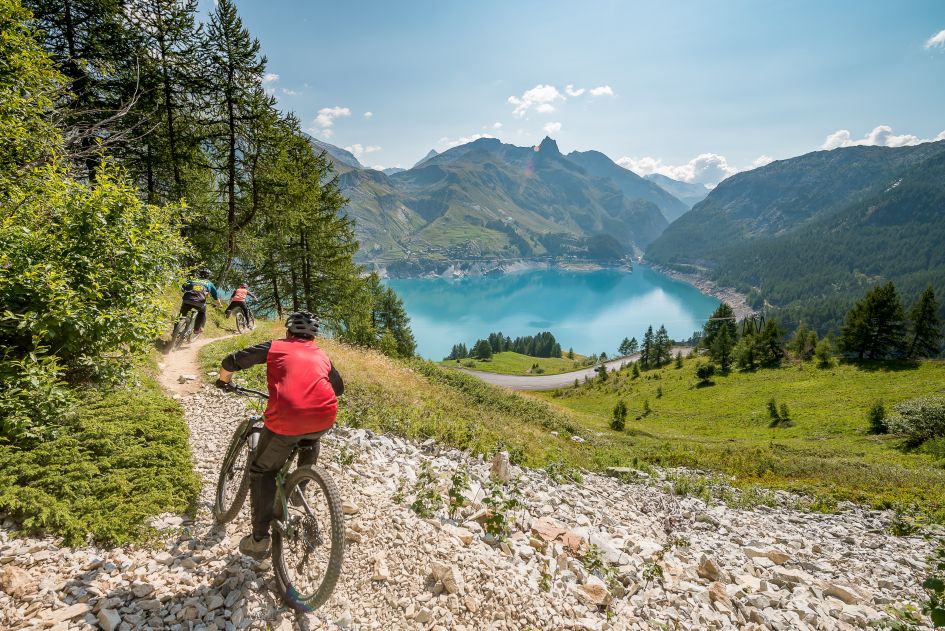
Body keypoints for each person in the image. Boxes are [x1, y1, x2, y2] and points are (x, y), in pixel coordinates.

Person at [215, 311, 344, 560]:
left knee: (262, 470)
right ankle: (300, 486)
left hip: (286, 418)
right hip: (324, 417)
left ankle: (259, 539)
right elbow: (338, 388)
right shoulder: (322, 355)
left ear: (288, 332)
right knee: (310, 438)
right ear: (313, 337)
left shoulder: (276, 347)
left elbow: (232, 361)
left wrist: (224, 381)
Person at [180, 268, 221, 337]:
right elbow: (215, 296)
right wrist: (219, 304)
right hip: (199, 302)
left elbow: (183, 287)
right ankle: (196, 329)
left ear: (199, 274)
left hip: (187, 299)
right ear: (208, 276)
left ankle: (175, 330)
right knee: (202, 312)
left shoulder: (192, 280)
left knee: (181, 315)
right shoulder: (209, 283)